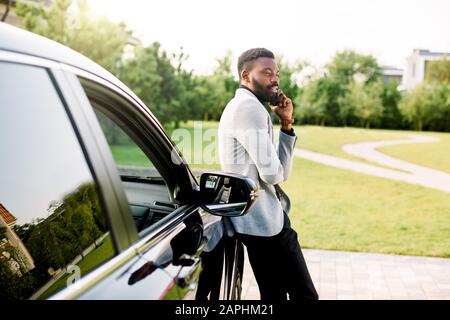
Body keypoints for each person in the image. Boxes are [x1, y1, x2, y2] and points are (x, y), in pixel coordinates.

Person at [215, 48, 318, 300]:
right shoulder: (249, 108)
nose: (275, 79)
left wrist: (286, 124)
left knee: (272, 296)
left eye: (277, 74)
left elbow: (280, 172)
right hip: (266, 224)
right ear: (246, 75)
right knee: (305, 296)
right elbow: (274, 175)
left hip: (254, 221)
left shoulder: (242, 105)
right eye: (267, 73)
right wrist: (279, 168)